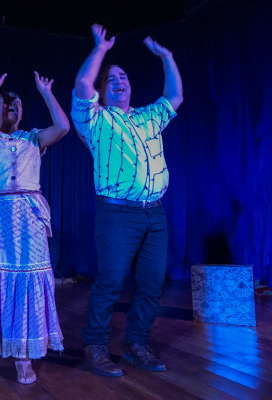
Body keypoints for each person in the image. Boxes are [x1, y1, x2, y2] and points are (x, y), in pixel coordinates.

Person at [71, 24, 183, 377]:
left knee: (152, 284)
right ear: (103, 90)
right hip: (118, 214)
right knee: (111, 282)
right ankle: (95, 346)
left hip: (155, 214)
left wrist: (166, 57)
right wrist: (101, 49)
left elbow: (175, 96)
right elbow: (82, 85)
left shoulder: (148, 116)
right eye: (111, 79)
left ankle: (137, 344)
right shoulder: (96, 120)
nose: (119, 81)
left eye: (123, 77)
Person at [0, 68, 69, 384]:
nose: (12, 105)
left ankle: (23, 356)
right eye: (5, 103)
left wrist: (46, 92)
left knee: (24, 281)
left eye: (17, 103)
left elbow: (63, 126)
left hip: (27, 215)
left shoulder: (33, 138)